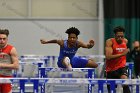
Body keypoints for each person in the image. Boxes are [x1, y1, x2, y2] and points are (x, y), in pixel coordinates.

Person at [105, 26, 130, 93]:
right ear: (115, 35)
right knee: (111, 90)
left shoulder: (125, 41)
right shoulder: (110, 42)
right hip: (111, 69)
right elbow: (108, 57)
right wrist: (122, 54)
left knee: (125, 82)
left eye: (122, 36)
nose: (120, 38)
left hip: (121, 67)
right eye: (118, 36)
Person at [0, 29, 19, 93]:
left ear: (7, 39)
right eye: (0, 39)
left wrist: (1, 65)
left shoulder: (11, 49)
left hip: (6, 78)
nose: (2, 40)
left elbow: (16, 66)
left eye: (4, 39)